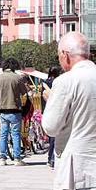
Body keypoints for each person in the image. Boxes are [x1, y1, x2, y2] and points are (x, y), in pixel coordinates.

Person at [42, 32, 96, 190]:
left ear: (65, 55)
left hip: (77, 168)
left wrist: (51, 100)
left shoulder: (65, 81)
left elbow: (51, 127)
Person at [0, 57, 29, 166]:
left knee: (3, 134)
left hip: (2, 109)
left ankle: (2, 158)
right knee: (15, 134)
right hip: (14, 109)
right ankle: (17, 159)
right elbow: (24, 93)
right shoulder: (17, 78)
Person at [42, 66, 61, 168]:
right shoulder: (59, 81)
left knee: (51, 138)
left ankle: (50, 159)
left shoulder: (45, 82)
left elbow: (43, 97)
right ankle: (53, 158)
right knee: (56, 137)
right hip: (57, 108)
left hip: (47, 109)